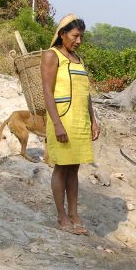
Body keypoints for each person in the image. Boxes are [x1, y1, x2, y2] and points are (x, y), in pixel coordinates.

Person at [41, 14, 100, 235]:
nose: (78, 41)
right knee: (61, 167)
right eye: (75, 36)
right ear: (62, 34)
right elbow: (47, 92)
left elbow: (87, 94)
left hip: (80, 120)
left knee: (74, 168)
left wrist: (94, 120)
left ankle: (74, 213)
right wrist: (56, 124)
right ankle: (62, 216)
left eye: (81, 37)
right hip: (62, 118)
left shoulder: (78, 59)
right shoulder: (52, 55)